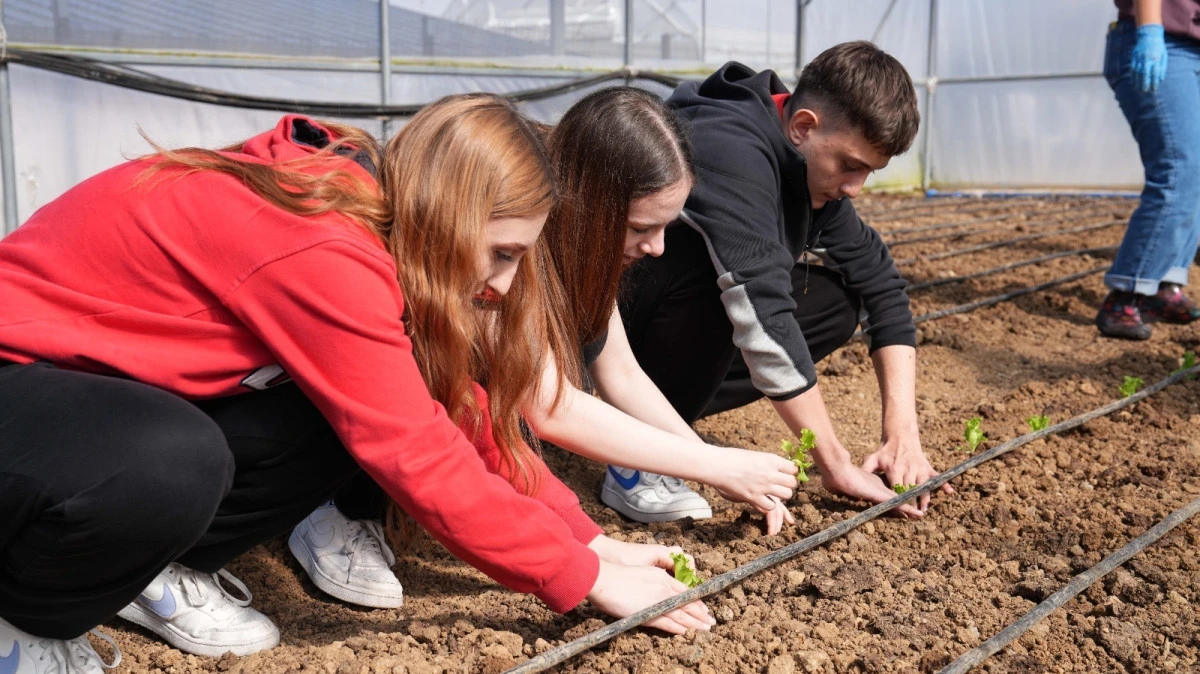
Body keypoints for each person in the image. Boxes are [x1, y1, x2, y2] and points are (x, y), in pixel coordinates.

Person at [0, 94, 712, 671]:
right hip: (19, 379)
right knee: (172, 459)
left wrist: (587, 544)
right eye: (501, 253)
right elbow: (416, 454)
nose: (502, 285)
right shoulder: (320, 243)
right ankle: (19, 624)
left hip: (86, 390)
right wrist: (584, 579)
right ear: (451, 214)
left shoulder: (375, 213)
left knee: (316, 420)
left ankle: (158, 568)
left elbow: (448, 409)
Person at [290, 86, 800, 610]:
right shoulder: (507, 238)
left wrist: (712, 461)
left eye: (666, 225)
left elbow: (622, 374)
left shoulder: (582, 248)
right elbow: (549, 405)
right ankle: (336, 507)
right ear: (592, 205)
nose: (658, 247)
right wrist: (712, 467)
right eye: (641, 227)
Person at [619, 41, 953, 519]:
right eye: (850, 165)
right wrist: (834, 463)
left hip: (657, 321)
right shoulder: (727, 145)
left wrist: (902, 434)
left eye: (869, 172)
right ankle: (638, 451)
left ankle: (665, 411)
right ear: (803, 127)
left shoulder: (809, 171)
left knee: (836, 302)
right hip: (601, 320)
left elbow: (882, 285)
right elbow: (761, 304)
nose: (855, 188)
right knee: (731, 282)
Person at [1095, 0, 1200, 339]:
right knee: (1178, 168)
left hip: (1192, 43)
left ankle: (1164, 283)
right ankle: (1126, 294)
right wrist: (1150, 31)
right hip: (1162, 40)